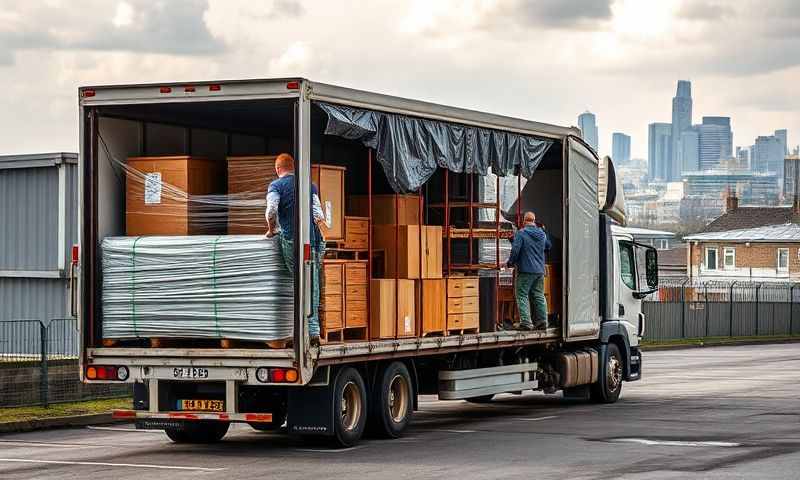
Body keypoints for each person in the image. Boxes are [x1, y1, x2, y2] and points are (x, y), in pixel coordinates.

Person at [265, 153, 326, 346]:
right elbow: (318, 215)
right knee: (312, 283)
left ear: (277, 169)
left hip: (291, 239)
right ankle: (313, 330)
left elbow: (272, 210)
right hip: (313, 242)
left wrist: (271, 229)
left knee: (297, 283)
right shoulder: (310, 185)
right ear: (293, 167)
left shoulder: (276, 186)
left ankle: (299, 331)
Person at [506, 211, 551, 331]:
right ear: (534, 221)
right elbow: (547, 246)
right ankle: (543, 321)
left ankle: (526, 322)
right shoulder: (541, 234)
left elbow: (516, 250)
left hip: (526, 270)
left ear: (524, 221)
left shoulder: (522, 233)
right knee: (539, 295)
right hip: (539, 271)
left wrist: (510, 262)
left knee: (521, 294)